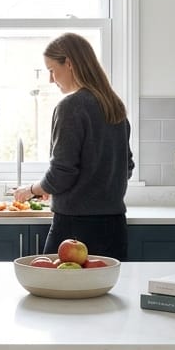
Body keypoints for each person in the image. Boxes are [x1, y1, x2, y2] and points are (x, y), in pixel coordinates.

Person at [14, 32, 134, 260]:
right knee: (107, 293)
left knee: (55, 292)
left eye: (51, 70)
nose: (51, 79)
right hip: (114, 227)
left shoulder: (71, 106)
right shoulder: (114, 106)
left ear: (69, 63)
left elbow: (61, 173)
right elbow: (126, 168)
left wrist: (30, 190)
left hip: (74, 229)